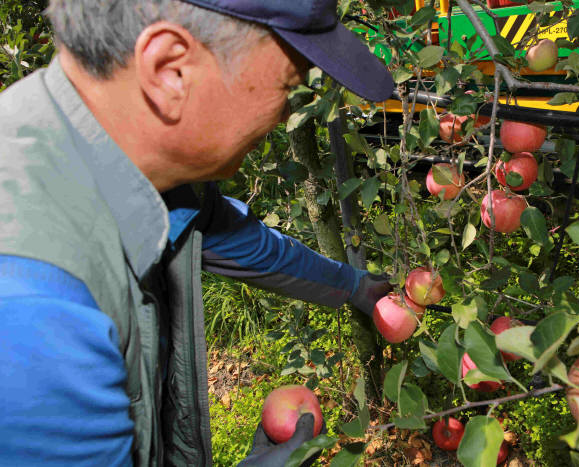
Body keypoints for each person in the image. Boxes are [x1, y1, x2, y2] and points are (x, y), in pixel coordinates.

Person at [0, 0, 394, 465]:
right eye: (287, 86)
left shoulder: (136, 166)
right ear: (170, 70)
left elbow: (245, 243)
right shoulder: (36, 315)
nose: (283, 112)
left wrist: (355, 287)